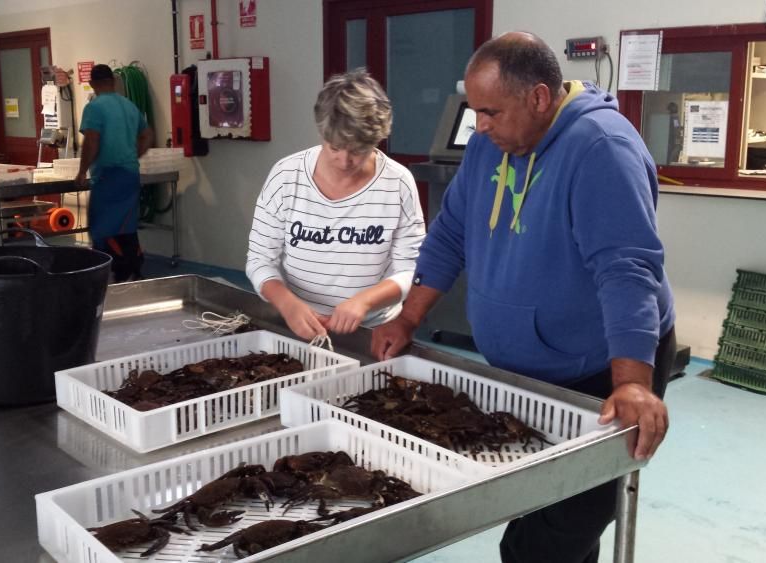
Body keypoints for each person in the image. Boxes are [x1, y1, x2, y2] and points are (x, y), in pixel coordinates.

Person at [370, 32, 676, 563]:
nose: (480, 127)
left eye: (490, 112)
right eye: (474, 113)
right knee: (540, 507)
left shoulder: (602, 148)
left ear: (538, 97)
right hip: (528, 372)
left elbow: (627, 269)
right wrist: (408, 317)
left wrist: (632, 384)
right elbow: (450, 234)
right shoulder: (492, 144)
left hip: (600, 372)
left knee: (547, 538)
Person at [245, 69, 426, 340]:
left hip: (373, 329)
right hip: (299, 323)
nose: (344, 161)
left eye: (357, 150)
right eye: (334, 147)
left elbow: (410, 269)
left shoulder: (398, 183)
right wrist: (287, 303)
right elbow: (259, 260)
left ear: (376, 140)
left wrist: (364, 301)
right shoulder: (286, 176)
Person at [75, 64, 155, 282]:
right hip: (130, 174)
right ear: (113, 81)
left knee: (102, 227)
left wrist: (82, 171)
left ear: (92, 84)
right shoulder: (129, 106)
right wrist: (132, 155)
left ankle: (114, 273)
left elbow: (91, 140)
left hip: (108, 175)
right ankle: (132, 269)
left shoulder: (94, 107)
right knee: (126, 225)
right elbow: (148, 135)